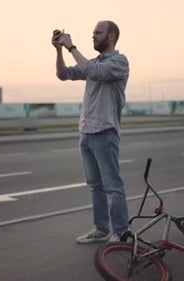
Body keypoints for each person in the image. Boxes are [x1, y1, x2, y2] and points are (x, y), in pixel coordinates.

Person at [52, 20, 129, 243]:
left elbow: (95, 72)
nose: (93, 36)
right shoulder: (92, 62)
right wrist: (59, 50)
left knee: (113, 186)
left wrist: (71, 47)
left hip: (105, 132)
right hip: (86, 132)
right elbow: (63, 74)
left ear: (111, 35)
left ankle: (121, 232)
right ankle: (101, 229)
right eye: (93, 32)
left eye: (98, 32)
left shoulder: (119, 61)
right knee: (95, 186)